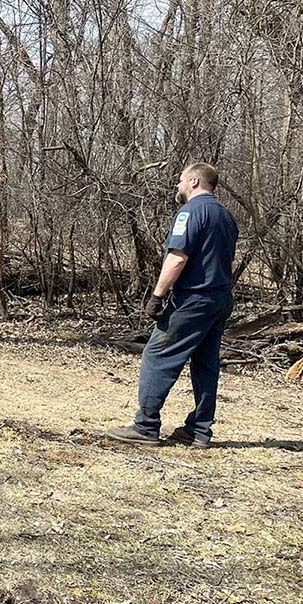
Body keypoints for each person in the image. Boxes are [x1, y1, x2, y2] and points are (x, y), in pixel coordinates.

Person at [106, 162, 238, 450]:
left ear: (193, 181)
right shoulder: (226, 216)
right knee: (205, 364)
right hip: (220, 299)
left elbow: (178, 257)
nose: (177, 185)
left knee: (157, 355)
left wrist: (157, 295)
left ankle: (145, 426)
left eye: (180, 180)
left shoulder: (191, 212)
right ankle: (199, 430)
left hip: (193, 299)